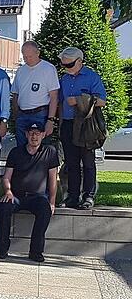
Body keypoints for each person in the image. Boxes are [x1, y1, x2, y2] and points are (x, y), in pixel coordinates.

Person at [0, 122, 59, 262]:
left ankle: (36, 252)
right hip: (16, 196)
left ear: (43, 135)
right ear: (26, 135)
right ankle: (2, 249)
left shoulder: (50, 152)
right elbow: (6, 177)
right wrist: (8, 191)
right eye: (31, 133)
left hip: (38, 197)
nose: (34, 136)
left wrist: (52, 202)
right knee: (3, 207)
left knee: (45, 210)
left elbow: (53, 179)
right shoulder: (15, 152)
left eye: (37, 133)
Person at [58, 47, 107, 209]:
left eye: (70, 64)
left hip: (86, 126)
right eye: (64, 65)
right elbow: (58, 102)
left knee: (87, 162)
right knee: (71, 163)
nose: (66, 68)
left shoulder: (92, 77)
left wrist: (79, 100)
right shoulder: (64, 79)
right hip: (68, 123)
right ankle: (72, 196)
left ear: (79, 61)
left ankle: (88, 196)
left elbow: (102, 101)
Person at [12, 41, 60, 146]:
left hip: (40, 114)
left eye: (30, 56)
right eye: (25, 57)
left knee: (40, 149)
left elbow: (54, 96)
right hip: (22, 114)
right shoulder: (21, 71)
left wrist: (50, 120)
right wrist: (16, 115)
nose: (27, 59)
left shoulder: (48, 69)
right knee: (22, 148)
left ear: (37, 53)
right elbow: (15, 94)